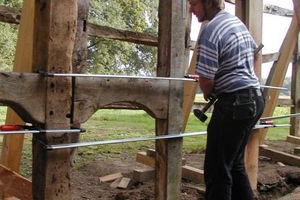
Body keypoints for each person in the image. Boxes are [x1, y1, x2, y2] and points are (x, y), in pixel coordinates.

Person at [189, 0, 265, 199]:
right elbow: (255, 56)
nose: (191, 9)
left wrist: (208, 92)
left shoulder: (210, 30)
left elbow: (206, 81)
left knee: (217, 171)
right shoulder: (235, 23)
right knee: (235, 166)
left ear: (208, 2)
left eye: (194, 3)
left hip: (234, 104)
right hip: (254, 99)